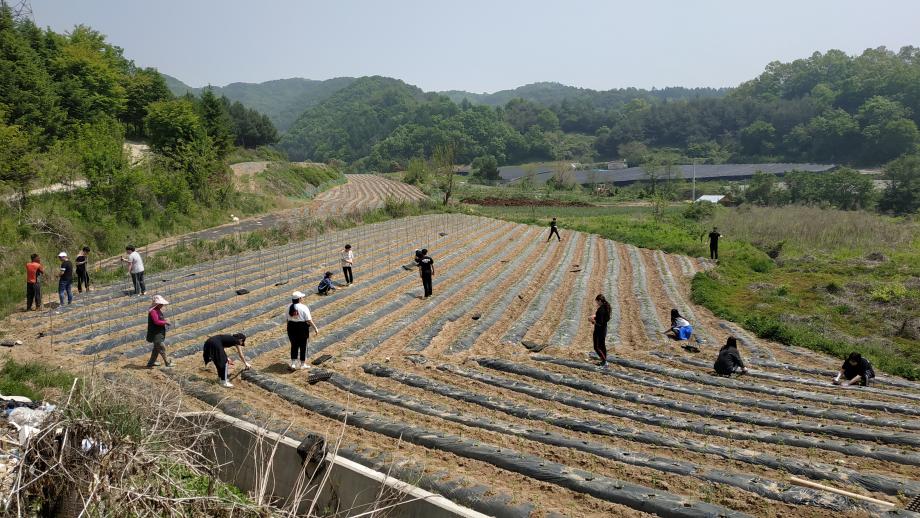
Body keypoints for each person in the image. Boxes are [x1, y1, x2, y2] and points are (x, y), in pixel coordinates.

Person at [287, 291, 319, 370]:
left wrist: (289, 327)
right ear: (299, 299)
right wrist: (315, 328)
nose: (303, 298)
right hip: (301, 328)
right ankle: (302, 364)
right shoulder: (303, 307)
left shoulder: (288, 307)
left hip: (291, 327)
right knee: (303, 346)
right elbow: (309, 320)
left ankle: (293, 364)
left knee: (294, 345)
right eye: (302, 297)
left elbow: (287, 319)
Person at [146, 295, 172, 368]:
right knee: (161, 348)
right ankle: (167, 363)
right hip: (155, 333)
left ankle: (150, 363)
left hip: (159, 332)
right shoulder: (153, 311)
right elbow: (156, 321)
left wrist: (164, 320)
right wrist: (165, 322)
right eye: (161, 304)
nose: (162, 305)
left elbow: (159, 319)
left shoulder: (157, 310)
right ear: (157, 304)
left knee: (156, 349)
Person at [588, 294, 612, 368]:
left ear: (600, 301)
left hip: (599, 331)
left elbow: (599, 323)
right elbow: (603, 318)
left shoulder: (601, 309)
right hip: (603, 329)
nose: (597, 303)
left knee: (596, 347)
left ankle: (604, 362)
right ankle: (604, 361)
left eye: (597, 301)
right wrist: (595, 316)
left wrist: (592, 320)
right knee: (602, 346)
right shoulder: (606, 307)